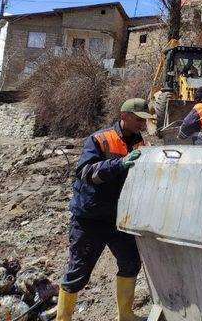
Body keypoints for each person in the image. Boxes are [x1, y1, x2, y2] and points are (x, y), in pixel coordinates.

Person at [57, 98, 153, 321]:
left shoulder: (140, 144)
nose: (142, 124)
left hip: (120, 218)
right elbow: (86, 174)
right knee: (78, 271)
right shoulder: (99, 139)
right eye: (138, 119)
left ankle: (126, 315)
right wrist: (119, 163)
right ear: (125, 117)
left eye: (144, 120)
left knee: (131, 263)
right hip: (90, 217)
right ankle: (63, 319)